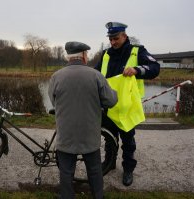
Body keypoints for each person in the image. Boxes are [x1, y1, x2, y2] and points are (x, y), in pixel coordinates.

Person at [48, 41, 117, 199]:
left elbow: (54, 101)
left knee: (66, 172)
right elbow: (110, 101)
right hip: (90, 134)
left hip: (66, 134)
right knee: (94, 170)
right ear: (84, 56)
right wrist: (114, 92)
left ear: (68, 57)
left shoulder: (56, 77)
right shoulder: (96, 75)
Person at [95, 22, 160, 186]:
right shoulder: (106, 54)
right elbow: (95, 75)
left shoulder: (137, 51)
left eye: (115, 38)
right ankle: (109, 164)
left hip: (127, 107)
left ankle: (128, 169)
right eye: (110, 39)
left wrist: (137, 70)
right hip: (108, 106)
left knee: (128, 142)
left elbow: (155, 67)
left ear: (124, 36)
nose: (113, 42)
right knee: (109, 140)